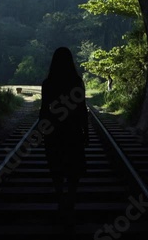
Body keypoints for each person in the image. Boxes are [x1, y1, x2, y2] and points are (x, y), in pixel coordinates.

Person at [39, 47, 88, 224]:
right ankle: (71, 202)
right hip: (73, 130)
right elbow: (82, 109)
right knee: (74, 168)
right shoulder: (77, 81)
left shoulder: (48, 83)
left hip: (54, 130)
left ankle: (60, 200)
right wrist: (86, 131)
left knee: (57, 166)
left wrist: (41, 130)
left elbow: (44, 110)